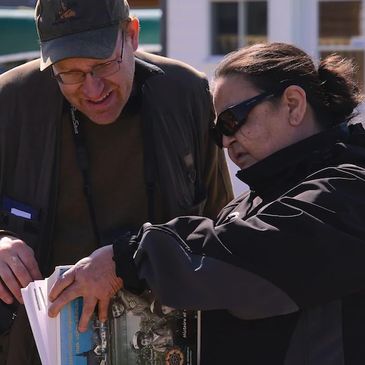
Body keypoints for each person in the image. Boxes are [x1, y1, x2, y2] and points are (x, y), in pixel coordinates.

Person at [48, 41, 365, 364]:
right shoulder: (248, 205)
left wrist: (128, 257)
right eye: (217, 132)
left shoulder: (351, 186)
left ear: (294, 105)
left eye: (232, 121)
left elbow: (255, 256)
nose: (225, 141)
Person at [0, 0, 233, 363]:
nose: (92, 90)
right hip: (36, 349)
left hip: (169, 345)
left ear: (133, 35)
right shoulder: (10, 101)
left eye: (102, 65)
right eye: (69, 72)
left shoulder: (186, 93)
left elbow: (222, 228)